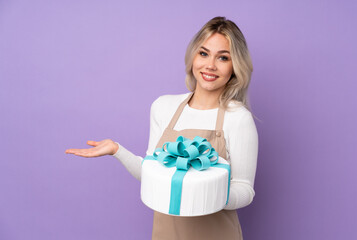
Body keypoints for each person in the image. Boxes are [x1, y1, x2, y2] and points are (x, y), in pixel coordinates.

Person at [65, 16, 258, 240]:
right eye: (203, 53)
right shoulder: (163, 107)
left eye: (223, 58)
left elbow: (245, 190)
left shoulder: (238, 118)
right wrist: (117, 150)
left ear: (235, 66)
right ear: (193, 56)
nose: (210, 65)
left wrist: (205, 193)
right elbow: (153, 173)